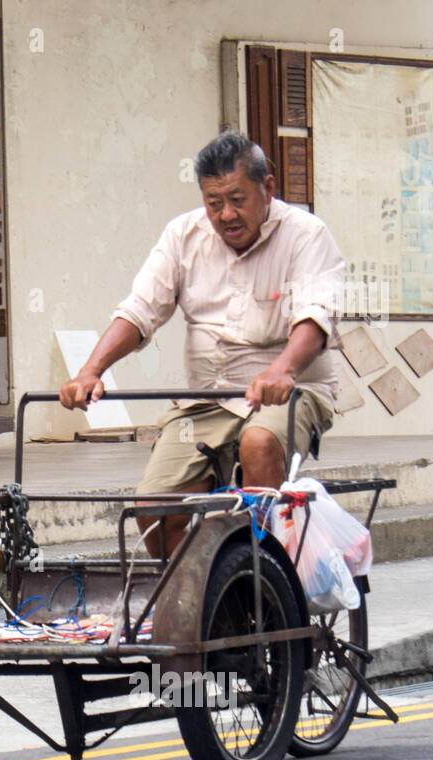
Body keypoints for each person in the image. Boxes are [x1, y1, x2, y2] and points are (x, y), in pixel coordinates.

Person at [58, 130, 344, 557]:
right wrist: (90, 370)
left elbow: (316, 315)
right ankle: (199, 601)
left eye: (237, 199)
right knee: (153, 507)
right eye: (214, 203)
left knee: (259, 443)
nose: (226, 214)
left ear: (267, 188)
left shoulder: (306, 235)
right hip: (205, 402)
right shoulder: (183, 235)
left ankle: (268, 586)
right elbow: (141, 309)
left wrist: (282, 369)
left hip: (288, 394)